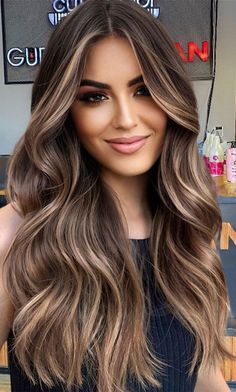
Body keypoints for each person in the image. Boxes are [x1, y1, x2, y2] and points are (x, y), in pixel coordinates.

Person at [0, 0, 233, 391]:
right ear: (63, 109)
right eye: (94, 96)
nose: (126, 118)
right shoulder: (16, 236)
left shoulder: (184, 227)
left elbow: (202, 373)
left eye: (144, 90)